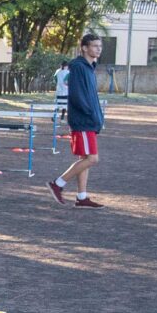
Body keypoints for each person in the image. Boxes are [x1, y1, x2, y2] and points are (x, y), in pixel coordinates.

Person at [47, 34, 106, 208]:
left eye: (100, 46)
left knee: (85, 158)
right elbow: (78, 95)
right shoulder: (79, 67)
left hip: (89, 121)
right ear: (85, 48)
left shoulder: (89, 67)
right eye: (94, 46)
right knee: (92, 159)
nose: (98, 49)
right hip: (83, 121)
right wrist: (90, 114)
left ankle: (81, 197)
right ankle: (57, 184)